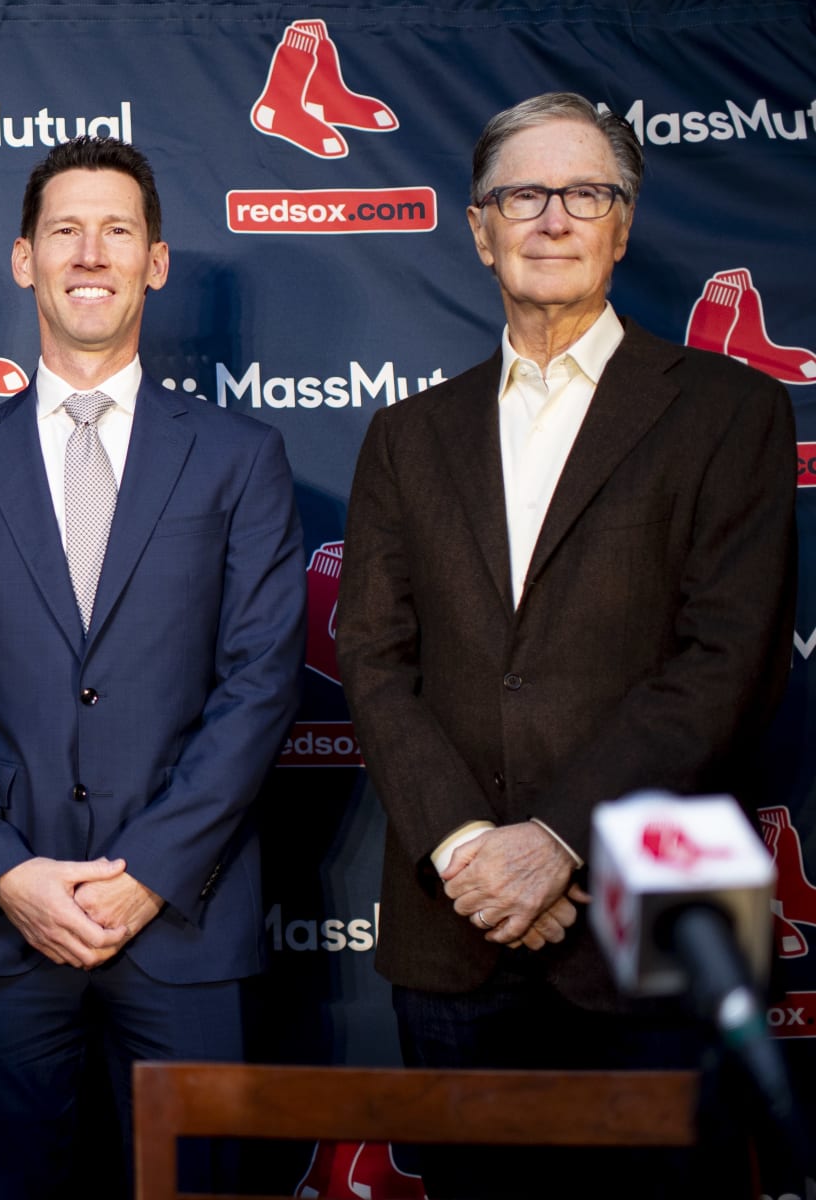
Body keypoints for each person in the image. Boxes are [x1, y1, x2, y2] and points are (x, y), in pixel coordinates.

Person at [336, 92, 795, 1199]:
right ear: (479, 228)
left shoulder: (734, 410)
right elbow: (374, 660)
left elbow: (726, 663)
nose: (554, 217)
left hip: (661, 919)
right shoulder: (407, 435)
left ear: (622, 226)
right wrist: (468, 852)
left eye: (586, 193)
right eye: (523, 194)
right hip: (456, 923)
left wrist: (555, 837)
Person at [0, 136, 306, 1197]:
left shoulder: (239, 457)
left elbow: (259, 683)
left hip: (184, 926)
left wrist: (151, 873)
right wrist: (9, 872)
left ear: (156, 262)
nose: (90, 253)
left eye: (117, 230)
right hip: (5, 923)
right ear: (22, 259)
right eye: (65, 229)